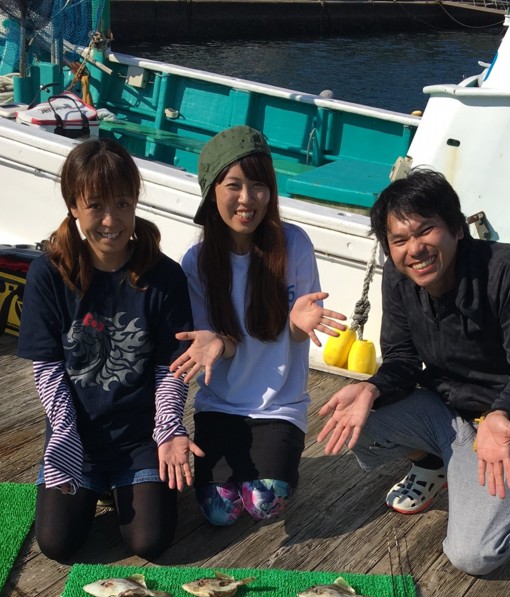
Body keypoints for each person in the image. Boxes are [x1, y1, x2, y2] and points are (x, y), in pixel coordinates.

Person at [318, 167, 510, 576]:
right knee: (358, 422)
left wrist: (502, 414)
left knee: (476, 556)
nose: (414, 249)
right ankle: (433, 463)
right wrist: (372, 389)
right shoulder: (399, 277)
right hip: (444, 411)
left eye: (425, 231)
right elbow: (402, 359)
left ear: (456, 228)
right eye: (399, 240)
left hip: (505, 420)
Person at [18, 138, 201, 562]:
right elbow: (47, 368)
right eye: (96, 205)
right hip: (77, 434)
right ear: (73, 207)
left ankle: (127, 485)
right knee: (57, 544)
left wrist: (170, 429)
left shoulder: (164, 276)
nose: (110, 220)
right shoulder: (49, 272)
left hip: (140, 437)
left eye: (122, 203)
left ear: (135, 202)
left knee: (150, 543)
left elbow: (169, 369)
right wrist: (64, 436)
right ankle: (97, 486)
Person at [169, 125, 345, 526]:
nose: (247, 199)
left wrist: (299, 323)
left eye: (259, 185)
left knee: (263, 504)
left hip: (279, 408)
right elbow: (216, 344)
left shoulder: (294, 244)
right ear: (212, 191)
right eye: (233, 185)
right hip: (220, 406)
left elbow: (298, 333)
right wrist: (217, 343)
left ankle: (277, 461)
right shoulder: (196, 262)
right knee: (220, 513)